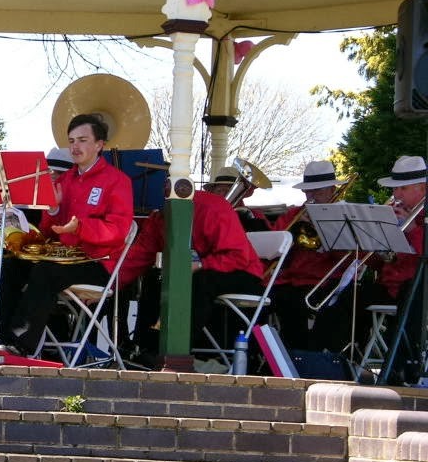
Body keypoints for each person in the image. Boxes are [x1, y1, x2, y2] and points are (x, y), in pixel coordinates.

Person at [0, 113, 133, 357]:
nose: (75, 147)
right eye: (71, 141)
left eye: (82, 140)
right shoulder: (66, 179)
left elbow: (117, 231)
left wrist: (80, 227)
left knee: (46, 271)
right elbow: (49, 231)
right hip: (64, 259)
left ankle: (19, 347)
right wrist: (53, 209)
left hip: (97, 264)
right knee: (9, 266)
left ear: (99, 144)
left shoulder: (117, 180)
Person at [119, 182, 264, 369]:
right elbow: (140, 257)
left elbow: (238, 256)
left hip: (240, 273)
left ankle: (178, 353)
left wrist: (201, 264)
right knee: (154, 276)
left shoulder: (213, 208)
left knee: (199, 281)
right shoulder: (160, 216)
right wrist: (110, 284)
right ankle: (147, 348)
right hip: (199, 272)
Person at [269, 160, 350, 352]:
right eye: (308, 192)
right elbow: (272, 247)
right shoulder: (294, 215)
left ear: (332, 190)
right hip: (291, 279)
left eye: (317, 191)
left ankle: (303, 356)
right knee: (269, 299)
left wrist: (323, 229)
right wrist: (292, 231)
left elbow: (348, 255)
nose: (311, 197)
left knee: (294, 303)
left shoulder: (342, 214)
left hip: (327, 281)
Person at [359, 156, 427, 383]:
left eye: (402, 188)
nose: (396, 194)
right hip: (390, 285)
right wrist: (370, 241)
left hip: (418, 287)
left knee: (412, 294)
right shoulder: (392, 212)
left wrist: (413, 229)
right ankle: (345, 361)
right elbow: (379, 262)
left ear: (422, 188)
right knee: (352, 296)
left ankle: (402, 369)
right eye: (395, 188)